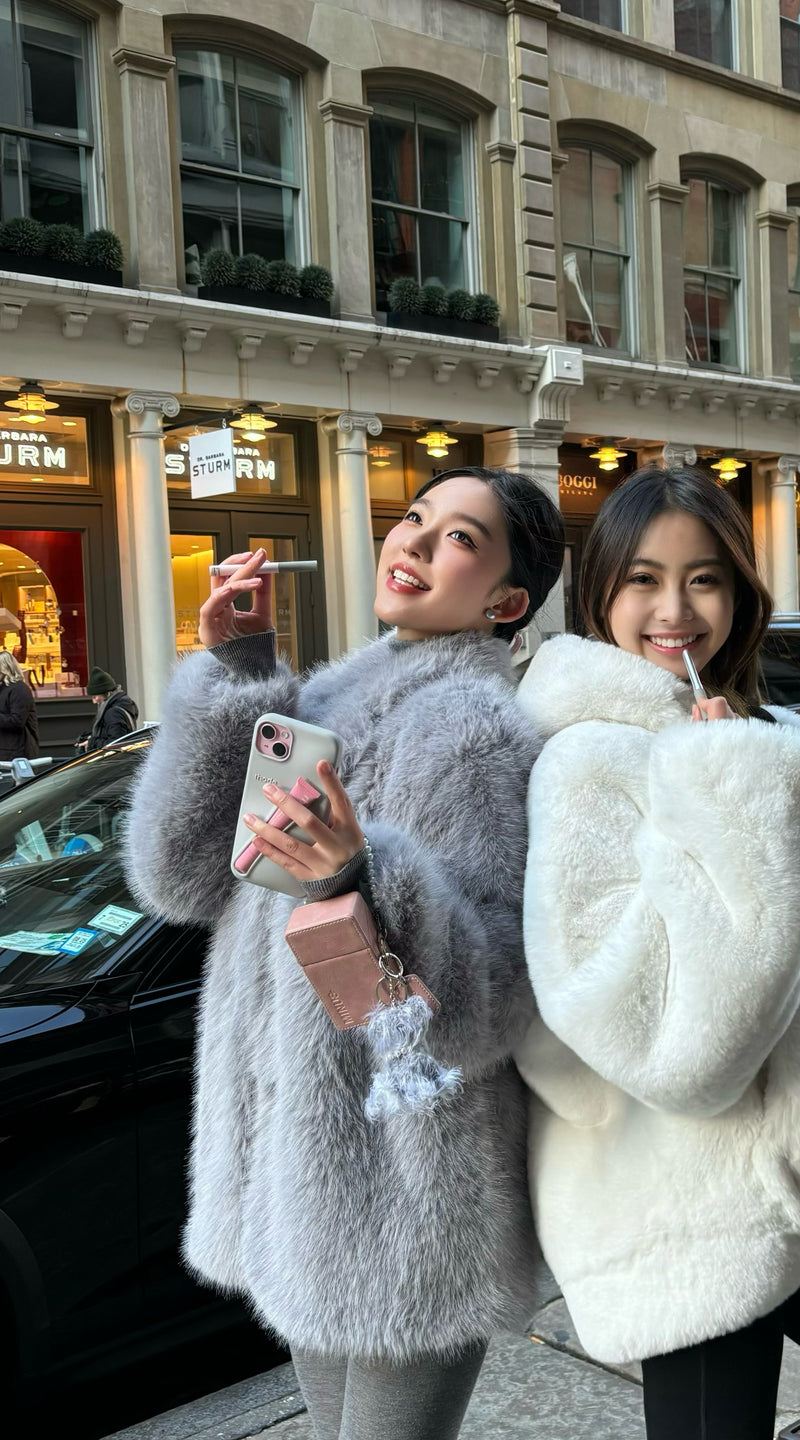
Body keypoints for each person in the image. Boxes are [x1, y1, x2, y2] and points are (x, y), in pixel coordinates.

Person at [515, 466, 800, 1440]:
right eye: (643, 579)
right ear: (601, 590)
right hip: (686, 1210)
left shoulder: (785, 747)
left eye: (705, 578)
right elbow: (664, 1046)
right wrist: (719, 803)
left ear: (740, 591)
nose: (673, 609)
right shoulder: (581, 763)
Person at [124, 467, 564, 1440]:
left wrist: (358, 882)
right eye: (413, 518)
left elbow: (484, 1006)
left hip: (409, 1190)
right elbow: (185, 880)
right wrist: (240, 674)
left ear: (507, 600)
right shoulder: (326, 701)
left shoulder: (474, 732)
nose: (412, 541)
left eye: (458, 537)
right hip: (309, 1174)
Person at [78, 667, 139, 752]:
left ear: (106, 694)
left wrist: (92, 743)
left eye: (95, 696)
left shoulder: (113, 713)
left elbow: (116, 744)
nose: (94, 701)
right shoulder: (123, 704)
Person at [0, 651, 39, 761]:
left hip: (15, 753)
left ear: (4, 669)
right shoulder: (4, 689)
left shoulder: (19, 689)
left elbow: (17, 720)